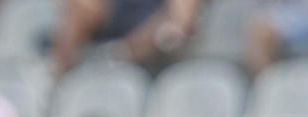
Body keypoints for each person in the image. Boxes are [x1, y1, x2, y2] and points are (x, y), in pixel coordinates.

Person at [50, 0, 201, 73]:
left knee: (169, 30)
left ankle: (114, 58)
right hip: (112, 28)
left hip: (152, 44)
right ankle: (56, 72)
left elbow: (181, 23)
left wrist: (123, 51)